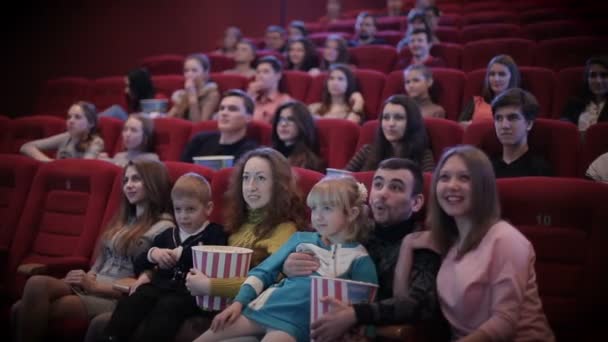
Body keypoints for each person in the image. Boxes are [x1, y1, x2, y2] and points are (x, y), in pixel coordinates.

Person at [196, 176, 378, 342]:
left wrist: (364, 335)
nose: (318, 216)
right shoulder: (301, 239)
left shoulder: (360, 259)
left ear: (352, 213)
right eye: (314, 208)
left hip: (297, 324)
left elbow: (364, 310)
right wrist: (237, 304)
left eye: (327, 208)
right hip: (263, 308)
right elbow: (263, 272)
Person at [12, 160, 175, 342]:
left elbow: (146, 285)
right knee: (36, 284)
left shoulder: (163, 227)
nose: (128, 185)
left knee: (21, 308)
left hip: (115, 297)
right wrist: (83, 277)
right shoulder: (124, 220)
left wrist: (94, 286)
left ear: (153, 183)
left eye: (136, 179)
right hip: (92, 285)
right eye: (126, 180)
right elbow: (100, 263)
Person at [284, 158, 445, 341]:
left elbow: (419, 304)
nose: (382, 194)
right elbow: (317, 251)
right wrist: (289, 266)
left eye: (396, 187)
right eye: (378, 184)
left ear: (416, 202)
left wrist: (355, 315)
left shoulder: (422, 242)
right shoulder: (356, 229)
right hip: (317, 320)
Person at [425, 145, 555, 341]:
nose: (452, 185)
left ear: (483, 187)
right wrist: (407, 247)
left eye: (464, 178)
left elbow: (504, 323)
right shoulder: (450, 243)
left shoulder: (505, 239)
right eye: (444, 177)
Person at [181, 148, 308, 339]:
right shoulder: (238, 222)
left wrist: (210, 285)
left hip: (257, 313)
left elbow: (271, 282)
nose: (251, 186)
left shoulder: (285, 229)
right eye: (246, 178)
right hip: (219, 307)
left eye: (261, 178)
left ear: (279, 185)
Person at [100, 173, 228, 342]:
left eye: (190, 209)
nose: (183, 216)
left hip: (193, 294)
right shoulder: (167, 235)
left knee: (168, 306)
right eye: (178, 209)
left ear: (208, 208)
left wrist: (179, 253)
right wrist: (153, 254)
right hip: (162, 287)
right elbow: (139, 264)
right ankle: (112, 337)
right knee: (136, 297)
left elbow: (211, 257)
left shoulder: (215, 233)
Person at [346, 95, 435, 172]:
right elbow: (340, 178)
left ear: (412, 122)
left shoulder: (423, 156)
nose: (391, 124)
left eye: (398, 118)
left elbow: (428, 187)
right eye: (386, 117)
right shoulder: (367, 151)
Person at [181, 89, 258, 163]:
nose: (224, 113)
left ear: (248, 118)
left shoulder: (251, 151)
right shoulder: (199, 140)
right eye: (221, 108)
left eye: (232, 109)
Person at [491, 88, 553, 178]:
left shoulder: (540, 169)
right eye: (499, 118)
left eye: (512, 118)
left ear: (529, 124)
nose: (504, 125)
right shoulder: (486, 167)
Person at [20, 101, 104, 162]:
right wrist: (49, 162)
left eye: (77, 117)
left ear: (91, 123)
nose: (71, 121)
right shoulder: (65, 137)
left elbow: (84, 167)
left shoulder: (96, 142)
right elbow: (26, 147)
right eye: (69, 117)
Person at [460, 54, 521, 124]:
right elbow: (460, 127)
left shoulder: (520, 104)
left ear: (512, 78)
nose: (496, 79)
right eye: (492, 74)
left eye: (502, 74)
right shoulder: (476, 102)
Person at [271, 101, 325, 172]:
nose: (283, 124)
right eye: (280, 119)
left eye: (291, 119)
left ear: (302, 124)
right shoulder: (270, 153)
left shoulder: (307, 162)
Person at [561, 56, 608, 132]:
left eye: (604, 75)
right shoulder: (573, 103)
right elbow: (563, 128)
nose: (598, 81)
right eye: (593, 75)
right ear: (587, 79)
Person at [168, 54, 220, 122]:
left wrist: (192, 97)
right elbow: (170, 117)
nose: (189, 74)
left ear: (205, 73)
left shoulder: (212, 94)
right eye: (186, 71)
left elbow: (199, 124)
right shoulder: (184, 93)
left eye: (194, 70)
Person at [247, 56, 292, 123]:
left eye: (266, 72)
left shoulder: (284, 101)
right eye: (258, 72)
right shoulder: (251, 97)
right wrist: (249, 97)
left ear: (278, 75)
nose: (260, 76)